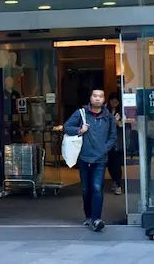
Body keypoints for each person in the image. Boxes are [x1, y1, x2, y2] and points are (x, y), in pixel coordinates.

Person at [63, 88, 116, 232]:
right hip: (84, 157)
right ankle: (89, 216)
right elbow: (67, 127)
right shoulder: (81, 113)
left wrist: (103, 151)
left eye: (100, 96)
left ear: (104, 99)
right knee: (86, 190)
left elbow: (113, 138)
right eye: (95, 96)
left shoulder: (109, 117)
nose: (97, 98)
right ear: (90, 98)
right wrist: (79, 130)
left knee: (97, 187)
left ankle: (96, 219)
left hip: (100, 159)